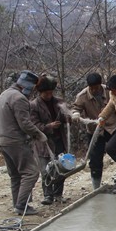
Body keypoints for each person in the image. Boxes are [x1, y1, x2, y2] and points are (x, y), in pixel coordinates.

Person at [0, 70, 47, 215]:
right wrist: (39, 134)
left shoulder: (4, 94)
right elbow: (24, 123)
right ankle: (22, 205)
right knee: (31, 172)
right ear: (27, 86)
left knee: (16, 175)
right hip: (15, 140)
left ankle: (17, 204)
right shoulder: (19, 99)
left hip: (1, 140)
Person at [71, 72, 116, 190]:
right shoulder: (82, 96)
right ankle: (96, 187)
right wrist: (76, 114)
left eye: (96, 87)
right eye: (92, 88)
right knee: (95, 159)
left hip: (112, 127)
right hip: (95, 131)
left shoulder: (110, 91)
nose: (94, 90)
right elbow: (76, 108)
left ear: (100, 85)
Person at [30, 75, 71, 205]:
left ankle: (58, 194)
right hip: (44, 142)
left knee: (61, 168)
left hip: (59, 140)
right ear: (40, 92)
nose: (49, 95)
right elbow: (34, 125)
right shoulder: (34, 106)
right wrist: (48, 126)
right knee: (45, 170)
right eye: (46, 93)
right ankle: (48, 195)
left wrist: (68, 117)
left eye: (50, 92)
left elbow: (67, 118)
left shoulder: (59, 102)